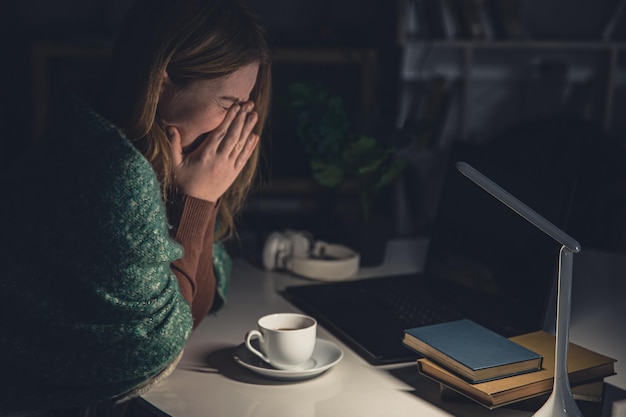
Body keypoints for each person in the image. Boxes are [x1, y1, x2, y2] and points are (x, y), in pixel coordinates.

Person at [0, 0, 271, 414]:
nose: (238, 126)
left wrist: (206, 193)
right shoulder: (115, 171)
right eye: (229, 104)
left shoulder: (107, 130)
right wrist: (198, 201)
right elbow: (158, 348)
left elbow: (198, 301)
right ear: (162, 80)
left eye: (246, 105)